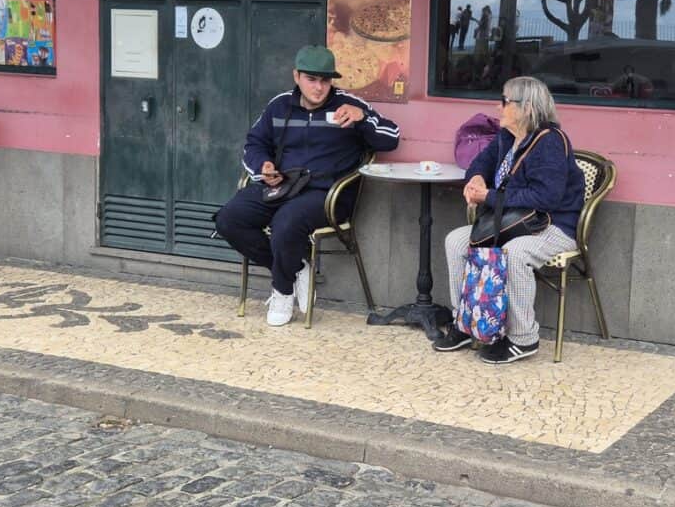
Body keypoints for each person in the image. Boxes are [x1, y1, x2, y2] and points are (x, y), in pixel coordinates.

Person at [215, 45, 400, 326]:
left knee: (285, 223)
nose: (319, 87)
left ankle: (282, 290)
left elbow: (392, 137)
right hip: (282, 186)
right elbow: (254, 144)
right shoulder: (279, 105)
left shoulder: (348, 105)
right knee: (229, 219)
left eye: (325, 80)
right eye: (311, 79)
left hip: (327, 195)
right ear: (296, 76)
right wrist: (263, 167)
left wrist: (364, 120)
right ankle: (296, 267)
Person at [434, 76, 585, 364]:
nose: (498, 106)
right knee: (455, 241)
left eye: (505, 101)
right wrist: (476, 178)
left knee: (514, 254)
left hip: (550, 226)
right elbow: (480, 163)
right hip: (511, 222)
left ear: (526, 107)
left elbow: (546, 197)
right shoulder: (508, 136)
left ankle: (523, 339)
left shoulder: (551, 141)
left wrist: (488, 196)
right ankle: (465, 323)